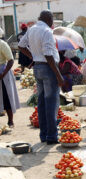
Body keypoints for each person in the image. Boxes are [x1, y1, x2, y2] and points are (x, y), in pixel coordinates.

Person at [18, 10, 64, 145]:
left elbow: (21, 46)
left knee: (42, 103)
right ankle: (51, 136)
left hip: (38, 67)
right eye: (52, 19)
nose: (53, 22)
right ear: (47, 18)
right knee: (51, 103)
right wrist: (58, 75)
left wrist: (33, 57)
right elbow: (49, 55)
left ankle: (44, 135)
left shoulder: (32, 29)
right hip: (48, 68)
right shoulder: (47, 31)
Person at [0, 28, 20, 128]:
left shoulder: (2, 44)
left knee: (6, 97)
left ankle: (10, 121)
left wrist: (3, 74)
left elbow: (11, 60)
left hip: (3, 73)